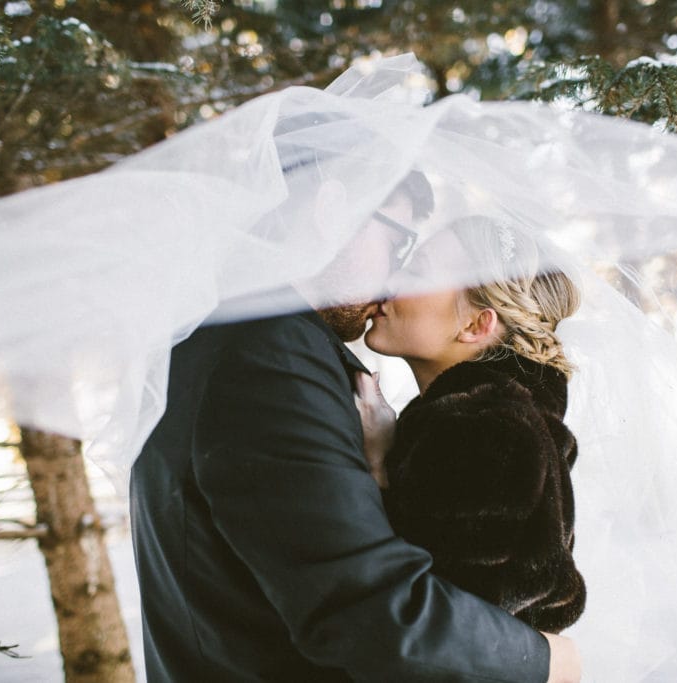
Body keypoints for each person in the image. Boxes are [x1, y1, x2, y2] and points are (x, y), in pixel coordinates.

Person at [129, 120, 583, 680]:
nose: (393, 275)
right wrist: (537, 660)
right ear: (332, 210)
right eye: (398, 240)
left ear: (478, 324)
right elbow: (371, 610)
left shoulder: (227, 337)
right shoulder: (266, 358)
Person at [356, 215, 586, 636]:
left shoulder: (489, 432)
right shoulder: (495, 419)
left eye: (417, 271)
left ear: (476, 325)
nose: (391, 280)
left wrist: (379, 471)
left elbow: (439, 622)